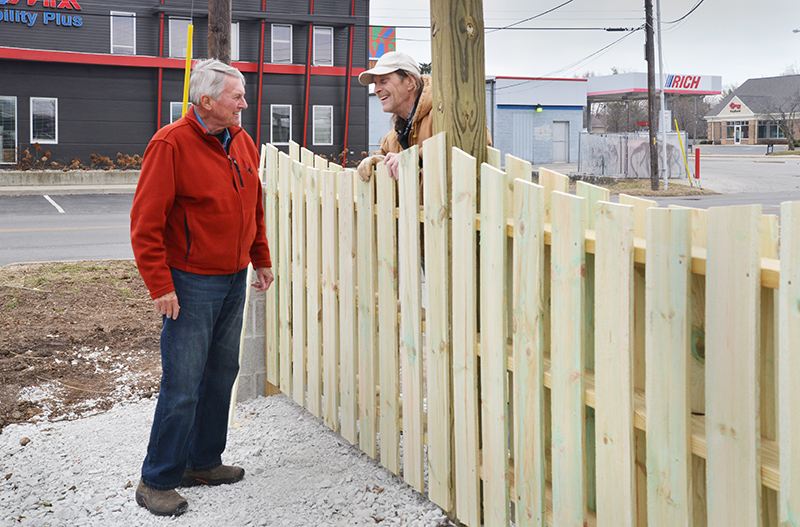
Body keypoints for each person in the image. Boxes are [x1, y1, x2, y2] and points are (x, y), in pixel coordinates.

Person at [129, 58, 274, 517]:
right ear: (207, 101)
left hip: (233, 279)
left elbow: (254, 205)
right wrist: (160, 286)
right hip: (189, 284)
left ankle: (203, 462)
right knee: (183, 384)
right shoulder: (170, 144)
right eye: (237, 97)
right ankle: (157, 480)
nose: (244, 105)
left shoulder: (242, 141)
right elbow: (145, 224)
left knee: (221, 375)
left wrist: (260, 259)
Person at [357, 51, 491, 183]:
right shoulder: (394, 136)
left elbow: (473, 142)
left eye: (383, 81)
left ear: (410, 82)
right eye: (375, 83)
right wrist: (377, 161)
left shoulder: (446, 114)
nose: (376, 90)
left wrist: (415, 158)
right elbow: (385, 154)